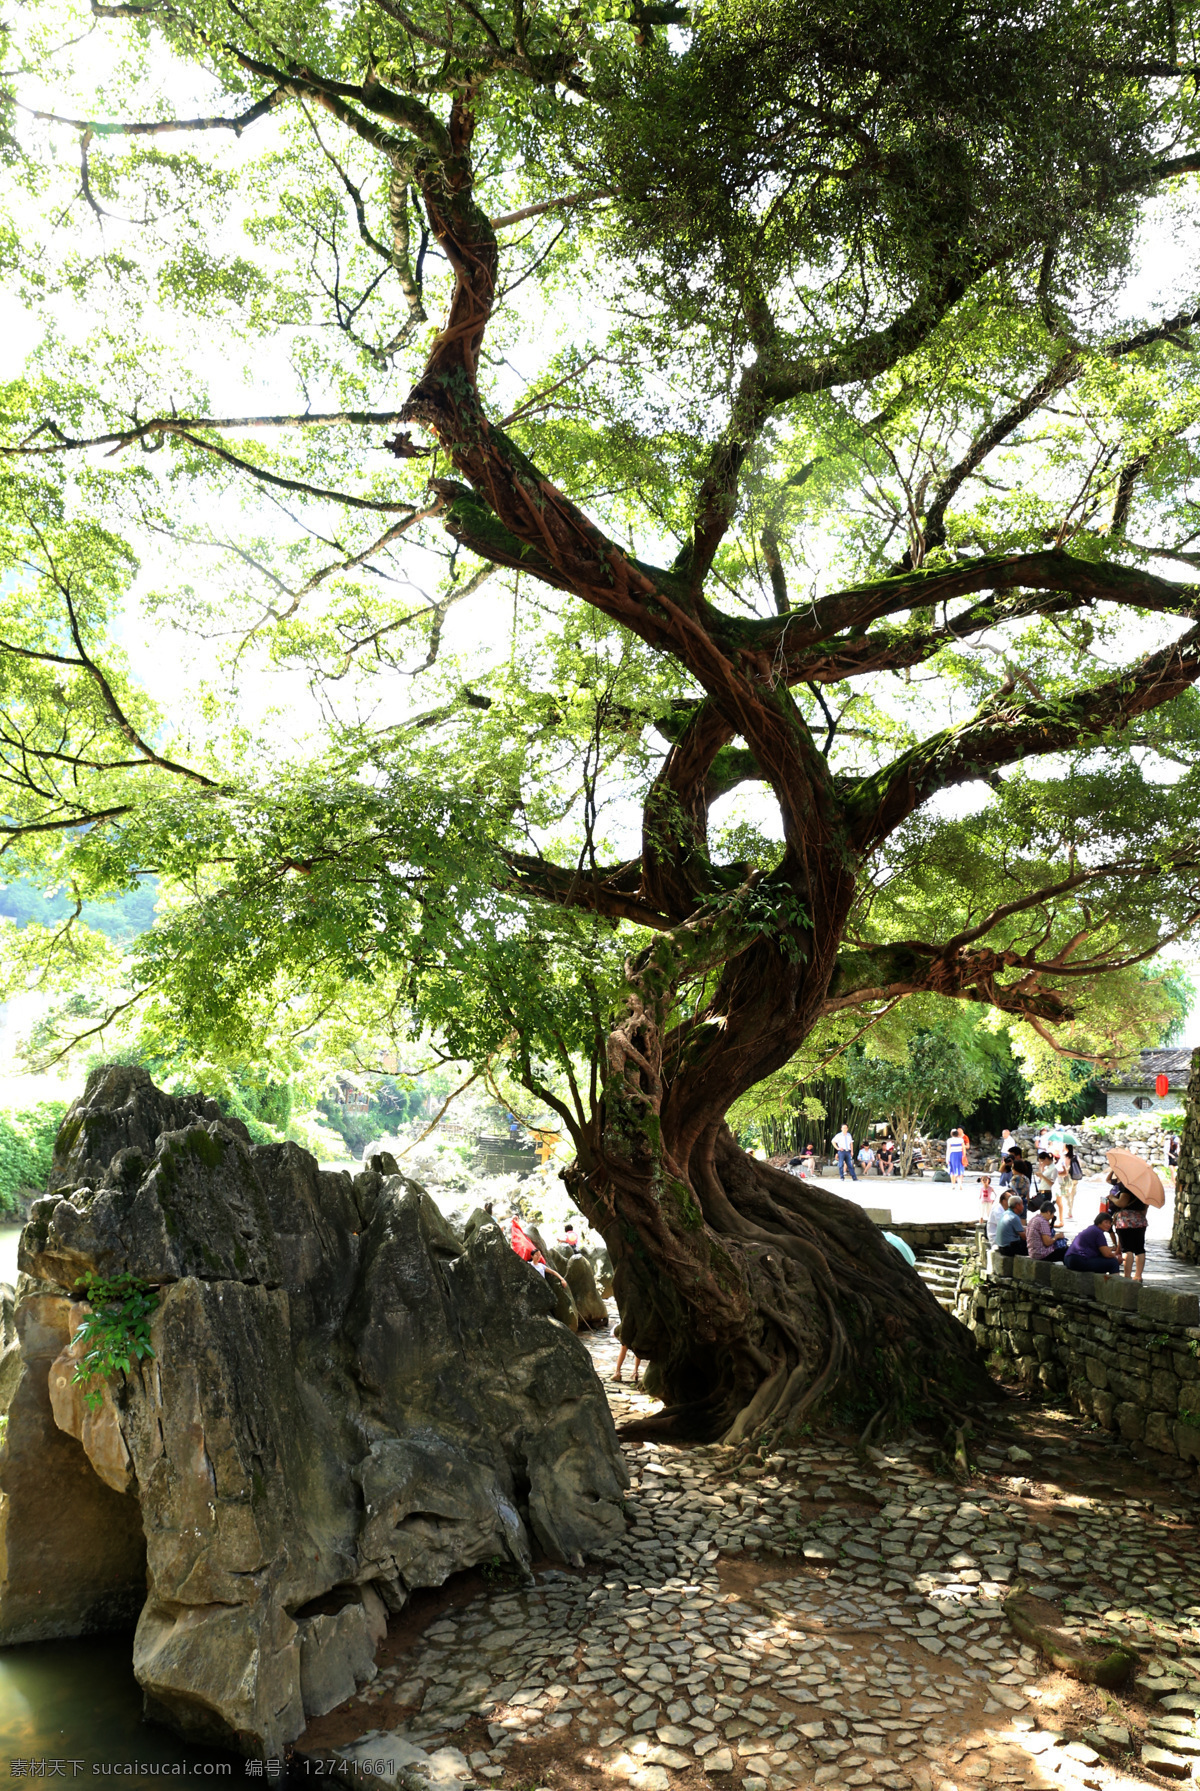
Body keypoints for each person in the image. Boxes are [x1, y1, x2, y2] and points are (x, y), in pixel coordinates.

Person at [1109, 1179, 1149, 1282]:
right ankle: (1138, 1276)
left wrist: (1112, 1198)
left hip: (1125, 1220)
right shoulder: (1144, 1187)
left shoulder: (1127, 1185)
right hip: (1140, 1219)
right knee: (1140, 1249)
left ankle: (1127, 1276)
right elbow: (1146, 1206)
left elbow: (1122, 1203)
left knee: (1127, 1249)